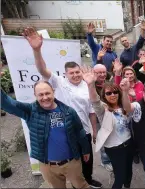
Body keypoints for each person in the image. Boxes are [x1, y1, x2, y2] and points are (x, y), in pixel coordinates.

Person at [23, 27, 102, 188]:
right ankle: (73, 182)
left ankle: (87, 180)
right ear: (65, 74)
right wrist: (37, 50)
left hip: (84, 130)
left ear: (81, 72)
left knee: (87, 159)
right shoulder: (58, 82)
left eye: (77, 72)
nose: (75, 75)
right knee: (70, 161)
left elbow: (92, 112)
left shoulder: (87, 85)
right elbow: (41, 69)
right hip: (65, 130)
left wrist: (94, 131)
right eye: (71, 73)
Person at [1, 81, 90, 189]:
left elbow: (79, 131)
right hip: (48, 166)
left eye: (47, 93)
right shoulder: (30, 111)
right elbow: (8, 104)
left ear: (53, 92)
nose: (45, 97)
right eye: (41, 94)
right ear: (35, 95)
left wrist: (85, 149)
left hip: (72, 162)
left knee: (81, 186)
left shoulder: (68, 111)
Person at [82, 68, 140, 189]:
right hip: (114, 149)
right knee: (119, 177)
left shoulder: (124, 106)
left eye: (115, 92)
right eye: (108, 93)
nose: (112, 95)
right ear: (104, 96)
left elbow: (128, 108)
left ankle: (127, 185)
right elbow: (95, 101)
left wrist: (124, 91)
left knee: (128, 172)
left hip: (129, 144)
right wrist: (90, 85)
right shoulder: (103, 110)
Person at [93, 64, 113, 172]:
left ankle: (113, 157)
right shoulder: (89, 84)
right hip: (98, 117)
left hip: (110, 114)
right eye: (99, 72)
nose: (102, 74)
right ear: (93, 73)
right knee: (103, 138)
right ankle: (105, 161)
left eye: (103, 72)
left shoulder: (109, 81)